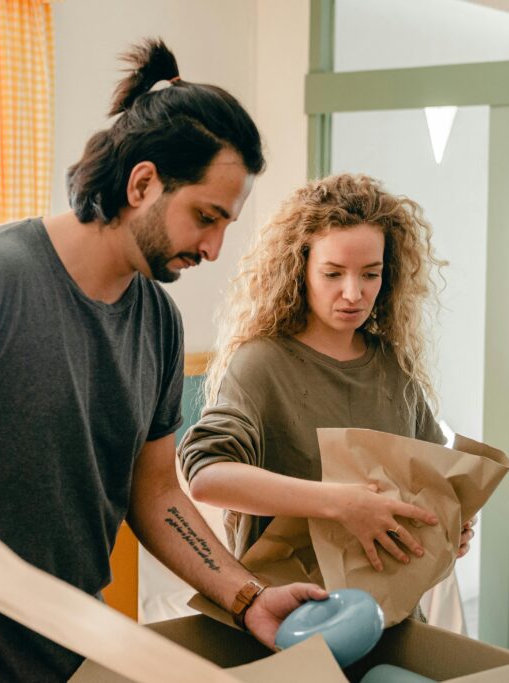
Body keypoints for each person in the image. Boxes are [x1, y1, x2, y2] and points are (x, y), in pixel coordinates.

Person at [0, 39, 325, 683]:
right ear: (142, 183)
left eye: (224, 226)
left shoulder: (158, 321)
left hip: (69, 652)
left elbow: (154, 492)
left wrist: (247, 597)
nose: (214, 248)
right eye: (205, 217)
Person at [178, 173, 476, 574]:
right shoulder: (262, 363)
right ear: (300, 270)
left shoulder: (393, 366)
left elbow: (430, 483)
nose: (353, 293)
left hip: (392, 606)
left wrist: (444, 525)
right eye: (333, 273)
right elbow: (207, 476)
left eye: (370, 274)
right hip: (292, 613)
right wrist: (341, 504)